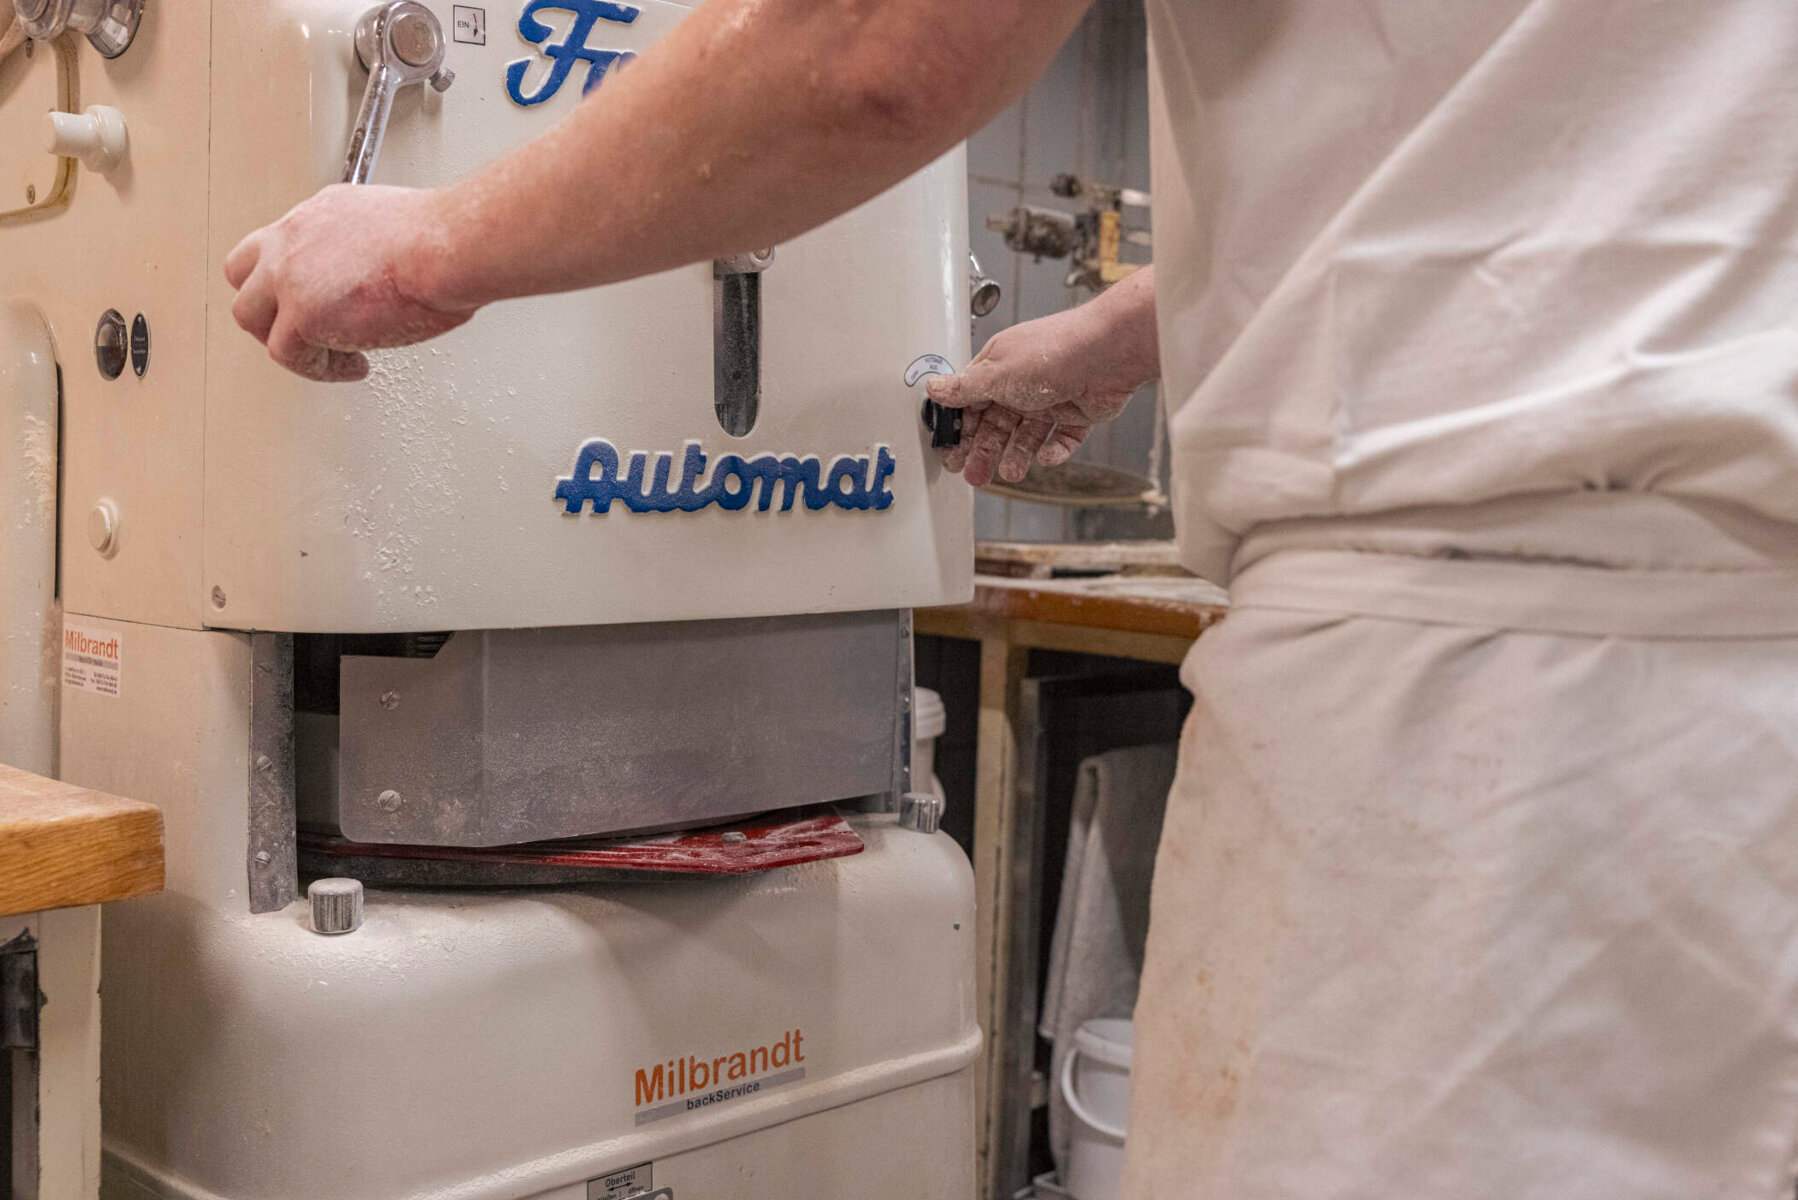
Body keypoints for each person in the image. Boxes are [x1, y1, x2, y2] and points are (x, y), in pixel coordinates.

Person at [227, 2, 1798, 1195]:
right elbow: (1527, 144)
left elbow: (881, 39)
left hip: (1499, 717)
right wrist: (1120, 337)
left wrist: (434, 241)